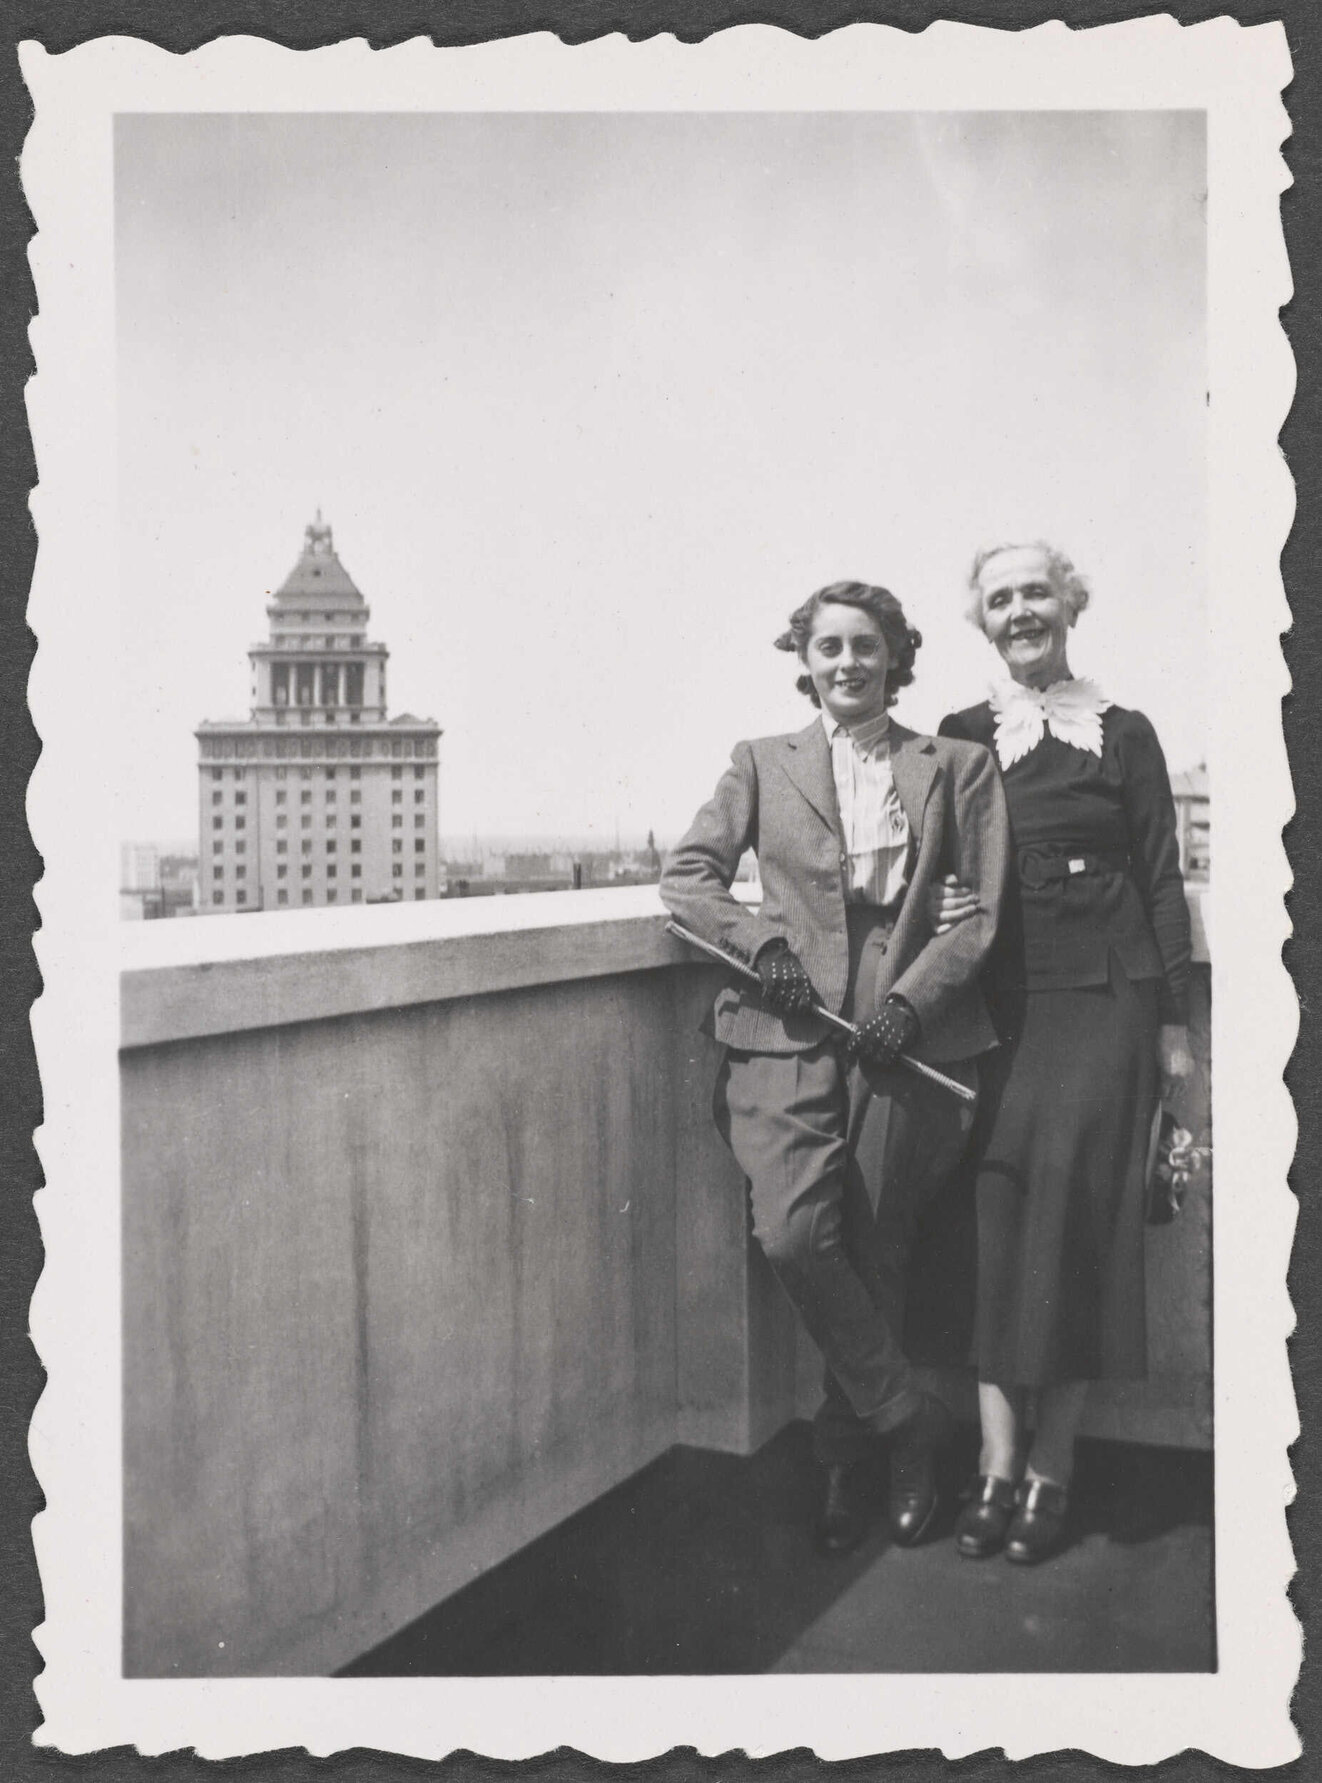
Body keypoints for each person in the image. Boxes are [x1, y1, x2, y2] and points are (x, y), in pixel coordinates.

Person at [661, 581, 1010, 1553]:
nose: (846, 662)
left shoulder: (958, 766)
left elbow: (977, 908)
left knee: (877, 1244)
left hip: (910, 1022)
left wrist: (909, 1002)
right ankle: (908, 1417)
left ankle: (851, 1459)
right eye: (827, 647)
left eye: (865, 646)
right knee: (790, 1233)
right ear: (802, 660)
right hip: (782, 1018)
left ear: (895, 656)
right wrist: (753, 940)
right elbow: (685, 879)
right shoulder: (759, 762)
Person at [935, 542, 1194, 1564]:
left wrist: (1173, 1026)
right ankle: (994, 1464)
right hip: (995, 1011)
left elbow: (1163, 880)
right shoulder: (959, 736)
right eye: (999, 599)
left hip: (1104, 1004)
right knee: (993, 1226)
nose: (1019, 610)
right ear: (982, 621)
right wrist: (948, 897)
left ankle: (1051, 1466)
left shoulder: (1122, 733)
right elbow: (930, 866)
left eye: (1034, 591)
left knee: (1082, 1226)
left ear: (1069, 602)